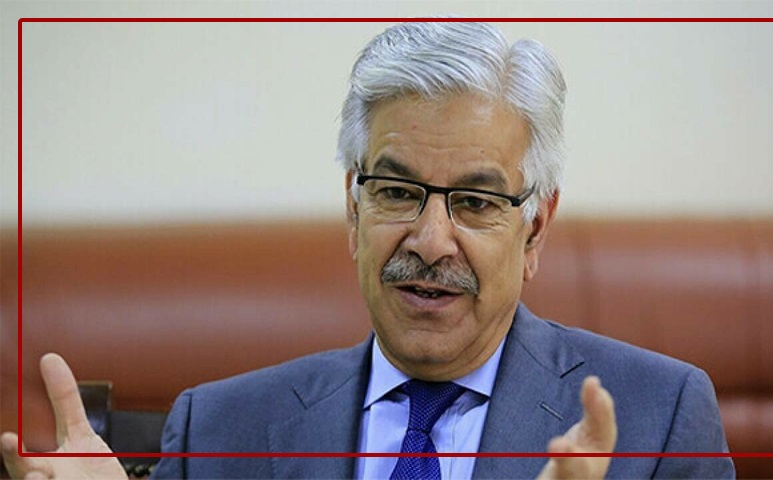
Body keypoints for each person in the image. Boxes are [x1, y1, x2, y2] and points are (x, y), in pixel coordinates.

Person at [2, 21, 734, 479]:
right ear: (354, 210)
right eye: (397, 191)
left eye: (476, 202)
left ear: (535, 229)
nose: (431, 239)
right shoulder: (217, 431)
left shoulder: (660, 420)